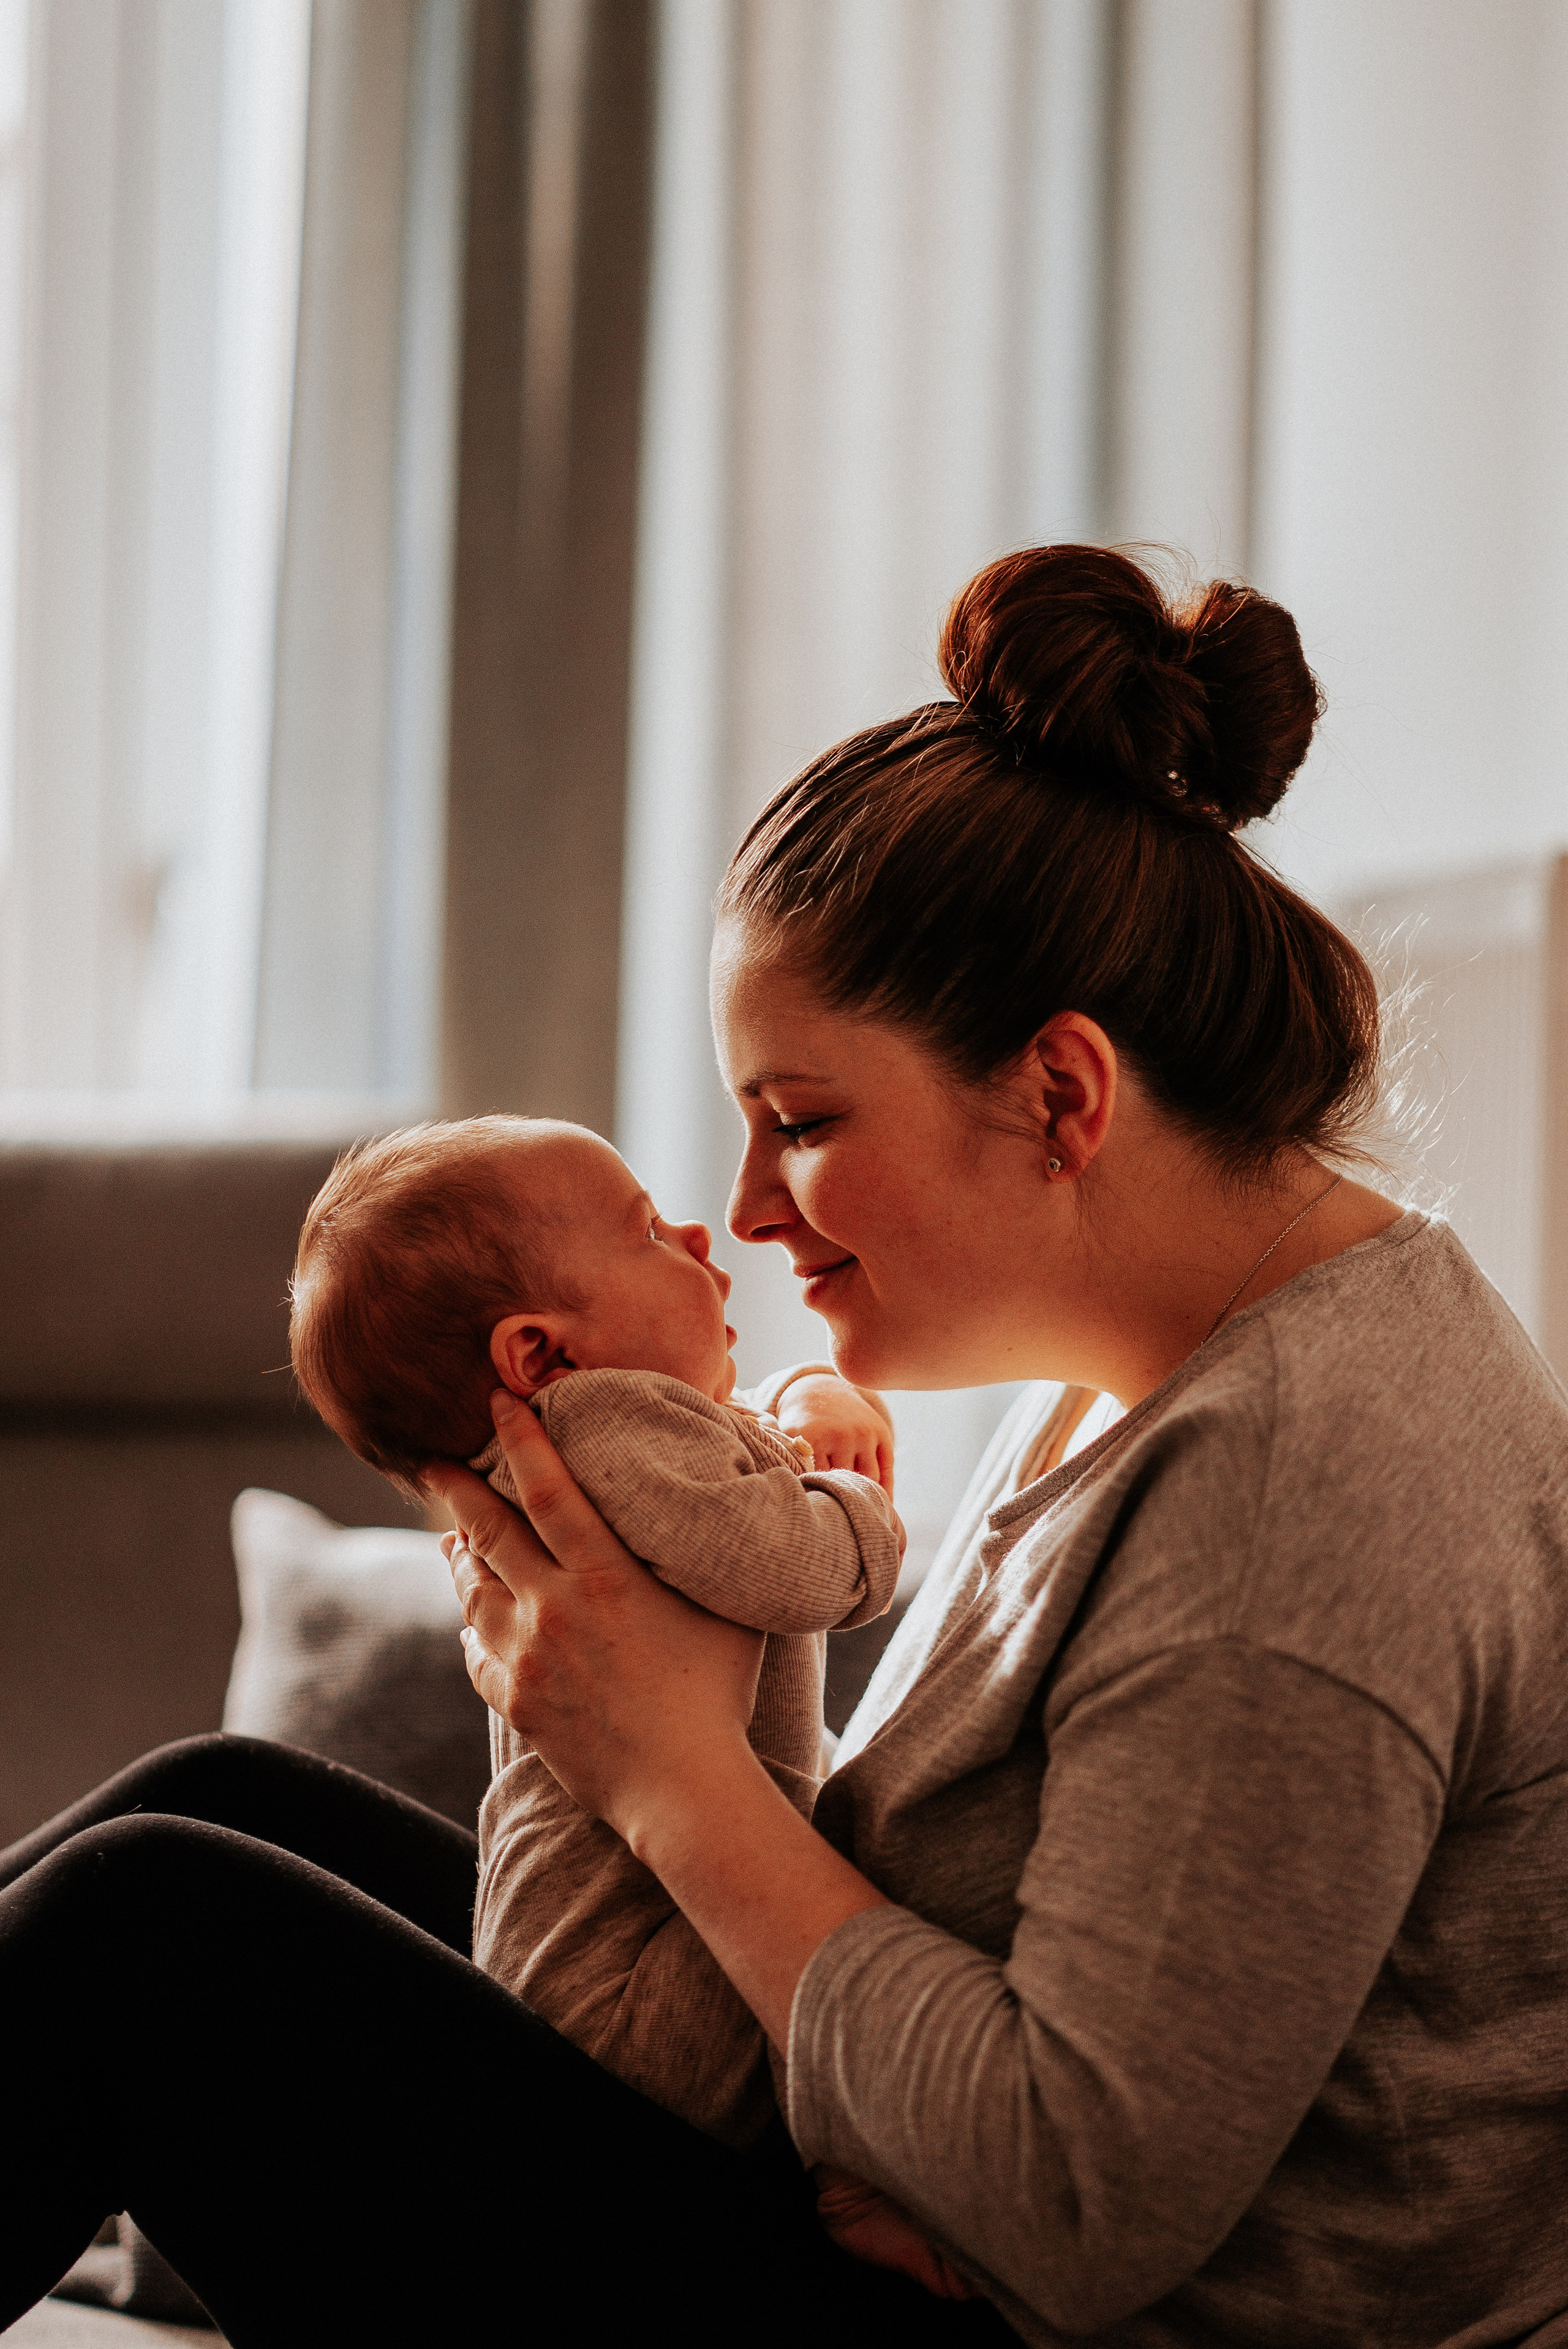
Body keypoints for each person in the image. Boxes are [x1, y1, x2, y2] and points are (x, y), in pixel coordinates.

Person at [2, 542, 1563, 2348]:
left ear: (1063, 1093)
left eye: (800, 1122)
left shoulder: (1312, 1485)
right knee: (225, 1807)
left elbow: (1076, 2199)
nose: (744, 1214)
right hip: (869, 2190)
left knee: (153, 1937)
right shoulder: (1155, 1372)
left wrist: (669, 1772)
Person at [287, 1111, 900, 2140]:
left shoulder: (611, 1438)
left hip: (624, 1937)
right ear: (540, 1353)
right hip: (626, 1977)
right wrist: (851, 1489)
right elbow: (808, 1569)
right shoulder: (602, 1429)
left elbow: (734, 1437)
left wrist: (803, 1389)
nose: (701, 1238)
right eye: (649, 1231)